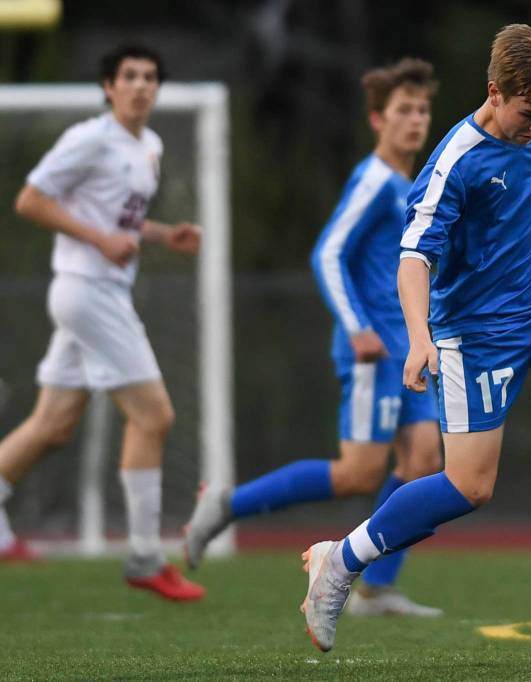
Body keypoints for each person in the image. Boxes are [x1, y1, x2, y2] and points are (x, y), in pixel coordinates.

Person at [299, 23, 531, 652]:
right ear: (495, 91)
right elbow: (413, 258)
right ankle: (341, 560)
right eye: (528, 114)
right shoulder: (454, 162)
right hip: (473, 336)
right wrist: (418, 338)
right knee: (469, 487)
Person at [183, 59, 444, 617]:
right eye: (403, 110)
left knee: (424, 458)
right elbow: (327, 252)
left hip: (408, 346)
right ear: (377, 119)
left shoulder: (408, 184)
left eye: (422, 110)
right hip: (375, 348)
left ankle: (376, 589)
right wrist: (357, 328)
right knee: (358, 474)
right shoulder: (374, 178)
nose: (415, 120)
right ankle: (227, 505)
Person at [0, 44, 205, 601]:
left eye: (150, 77)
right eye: (130, 76)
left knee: (53, 424)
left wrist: (164, 235)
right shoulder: (89, 138)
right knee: (155, 416)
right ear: (109, 87)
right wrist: (97, 240)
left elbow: (117, 220)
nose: (141, 85)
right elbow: (29, 200)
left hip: (98, 292)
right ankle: (143, 557)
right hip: (86, 292)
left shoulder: (150, 146)